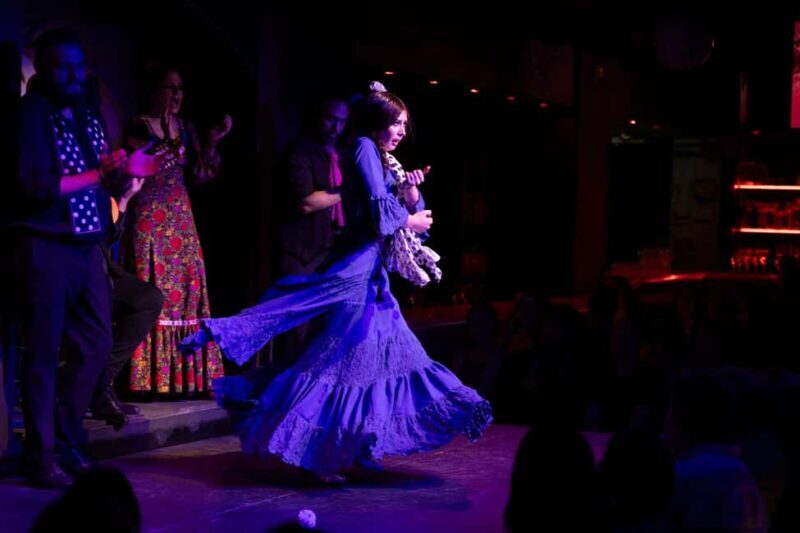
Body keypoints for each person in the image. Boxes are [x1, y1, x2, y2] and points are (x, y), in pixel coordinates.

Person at [180, 85, 491, 481]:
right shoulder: (363, 147)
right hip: (355, 274)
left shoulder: (385, 160)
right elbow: (380, 218)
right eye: (396, 122)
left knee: (386, 365)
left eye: (404, 125)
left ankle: (362, 445)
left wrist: (411, 195)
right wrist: (408, 217)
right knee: (336, 367)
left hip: (374, 281)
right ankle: (318, 449)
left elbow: (397, 209)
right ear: (378, 121)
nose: (400, 131)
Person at [13, 28, 158, 487]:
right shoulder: (30, 116)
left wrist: (126, 177)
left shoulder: (88, 113)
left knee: (95, 343)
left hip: (88, 244)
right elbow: (36, 187)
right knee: (41, 351)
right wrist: (99, 173)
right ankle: (42, 454)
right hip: (45, 245)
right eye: (64, 66)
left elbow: (102, 185)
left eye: (79, 65)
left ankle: (68, 438)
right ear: (46, 68)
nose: (75, 74)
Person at [123, 65, 231, 397]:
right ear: (154, 91)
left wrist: (211, 143)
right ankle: (146, 381)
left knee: (187, 292)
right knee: (153, 289)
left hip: (181, 222)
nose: (177, 95)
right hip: (149, 220)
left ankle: (185, 379)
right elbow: (132, 170)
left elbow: (200, 176)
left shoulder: (185, 129)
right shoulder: (138, 125)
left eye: (180, 88)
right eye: (170, 88)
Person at [273, 96, 348, 368]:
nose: (335, 127)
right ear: (317, 117)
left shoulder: (340, 154)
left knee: (325, 326)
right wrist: (347, 191)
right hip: (301, 250)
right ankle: (284, 391)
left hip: (331, 249)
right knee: (296, 326)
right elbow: (305, 203)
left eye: (341, 122)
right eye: (330, 119)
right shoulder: (299, 151)